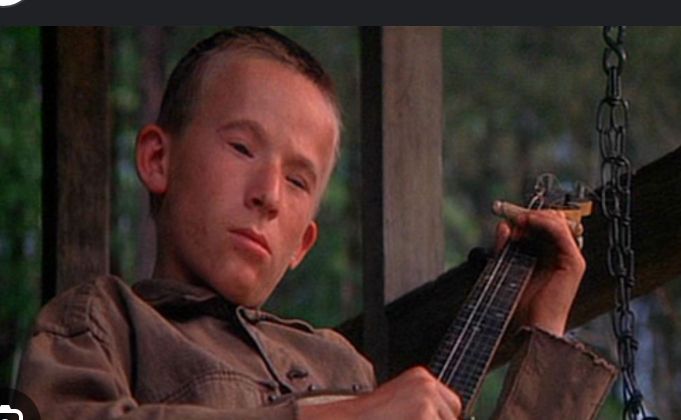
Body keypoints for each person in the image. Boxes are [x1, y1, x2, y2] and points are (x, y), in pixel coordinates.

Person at [16, 27, 616, 419]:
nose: (269, 195)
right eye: (242, 148)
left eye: (300, 181)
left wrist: (546, 323)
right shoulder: (104, 322)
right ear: (157, 160)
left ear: (303, 242)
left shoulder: (339, 365)